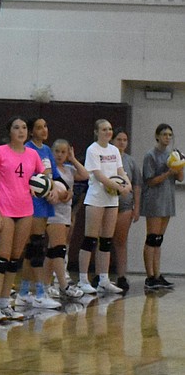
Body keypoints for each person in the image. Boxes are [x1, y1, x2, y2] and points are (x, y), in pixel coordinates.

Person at [0, 116, 45, 321]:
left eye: (24, 128)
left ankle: (5, 304)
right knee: (2, 257)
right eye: (16, 127)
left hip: (26, 210)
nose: (21, 131)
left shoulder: (32, 154)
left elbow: (44, 176)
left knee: (14, 258)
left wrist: (42, 185)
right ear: (9, 131)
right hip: (4, 210)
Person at [76, 119, 129, 295]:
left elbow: (120, 172)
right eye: (104, 129)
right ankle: (83, 279)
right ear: (96, 132)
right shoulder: (93, 149)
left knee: (106, 240)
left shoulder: (114, 150)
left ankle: (103, 280)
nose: (108, 132)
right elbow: (98, 175)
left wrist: (127, 184)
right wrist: (119, 187)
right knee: (90, 238)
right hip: (96, 198)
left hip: (112, 199)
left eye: (110, 129)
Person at [17, 118, 62, 310]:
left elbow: (52, 177)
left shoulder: (46, 150)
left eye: (45, 126)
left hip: (45, 203)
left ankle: (23, 292)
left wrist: (54, 191)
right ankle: (41, 293)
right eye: (38, 127)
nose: (43, 130)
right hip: (32, 202)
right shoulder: (27, 150)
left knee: (33, 249)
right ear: (31, 131)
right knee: (36, 247)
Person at [141, 124, 181, 289]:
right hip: (154, 200)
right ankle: (149, 276)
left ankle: (157, 274)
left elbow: (179, 177)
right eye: (164, 134)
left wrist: (179, 166)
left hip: (167, 199)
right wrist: (168, 173)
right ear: (157, 136)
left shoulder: (172, 155)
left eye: (170, 134)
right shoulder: (150, 155)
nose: (167, 137)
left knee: (158, 240)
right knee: (151, 238)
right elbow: (150, 180)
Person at [49, 139, 88, 299]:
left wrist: (73, 159)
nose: (60, 155)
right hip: (53, 213)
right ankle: (62, 284)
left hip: (65, 213)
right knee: (58, 249)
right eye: (57, 151)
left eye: (63, 152)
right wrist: (62, 194)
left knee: (53, 251)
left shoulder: (70, 170)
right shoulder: (49, 171)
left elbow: (85, 175)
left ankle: (47, 285)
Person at [109, 128, 140, 292]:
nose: (122, 142)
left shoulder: (131, 162)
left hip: (125, 207)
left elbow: (136, 185)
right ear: (113, 141)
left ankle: (121, 276)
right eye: (119, 139)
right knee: (103, 242)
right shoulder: (106, 159)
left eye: (125, 140)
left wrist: (137, 207)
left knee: (120, 242)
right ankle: (102, 277)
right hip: (107, 205)